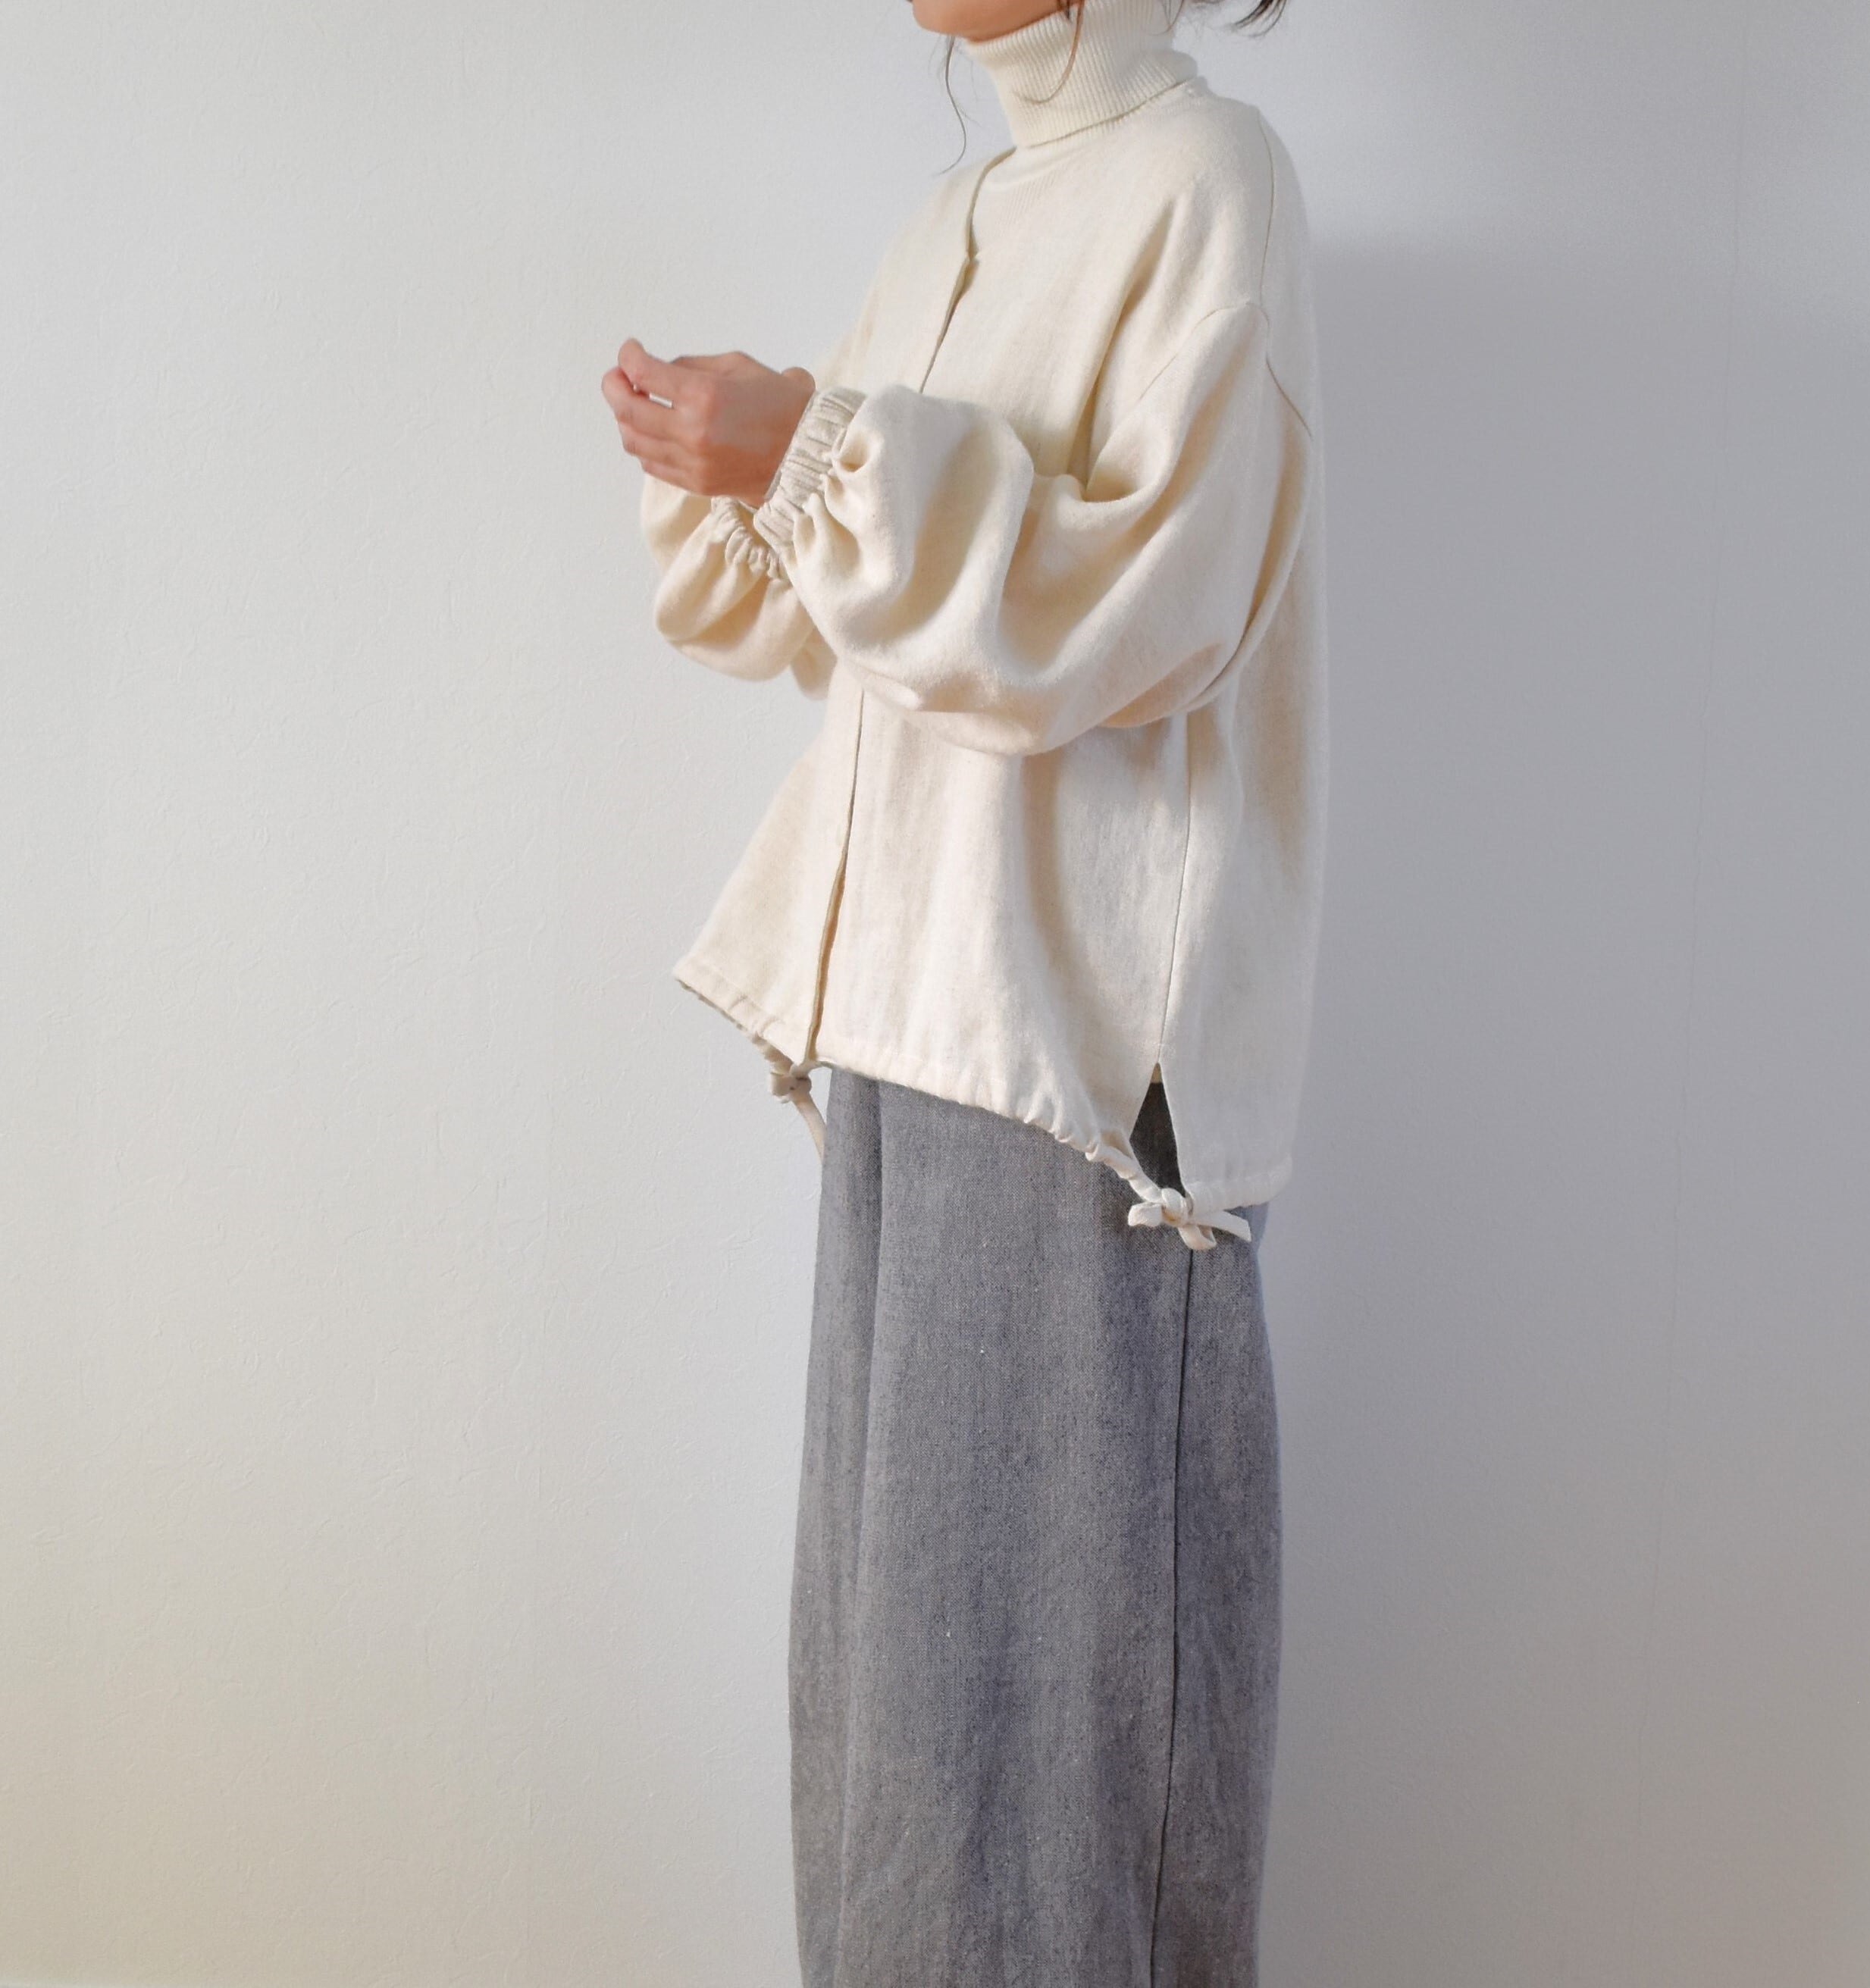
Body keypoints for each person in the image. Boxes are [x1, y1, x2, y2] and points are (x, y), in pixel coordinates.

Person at [601, 0, 1322, 1978]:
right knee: (901, 1758)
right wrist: (749, 459)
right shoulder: (960, 213)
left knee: (1051, 1783)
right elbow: (848, 615)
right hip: (912, 1041)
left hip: (1081, 1085)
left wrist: (815, 452)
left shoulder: (1208, 179)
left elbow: (1143, 606)